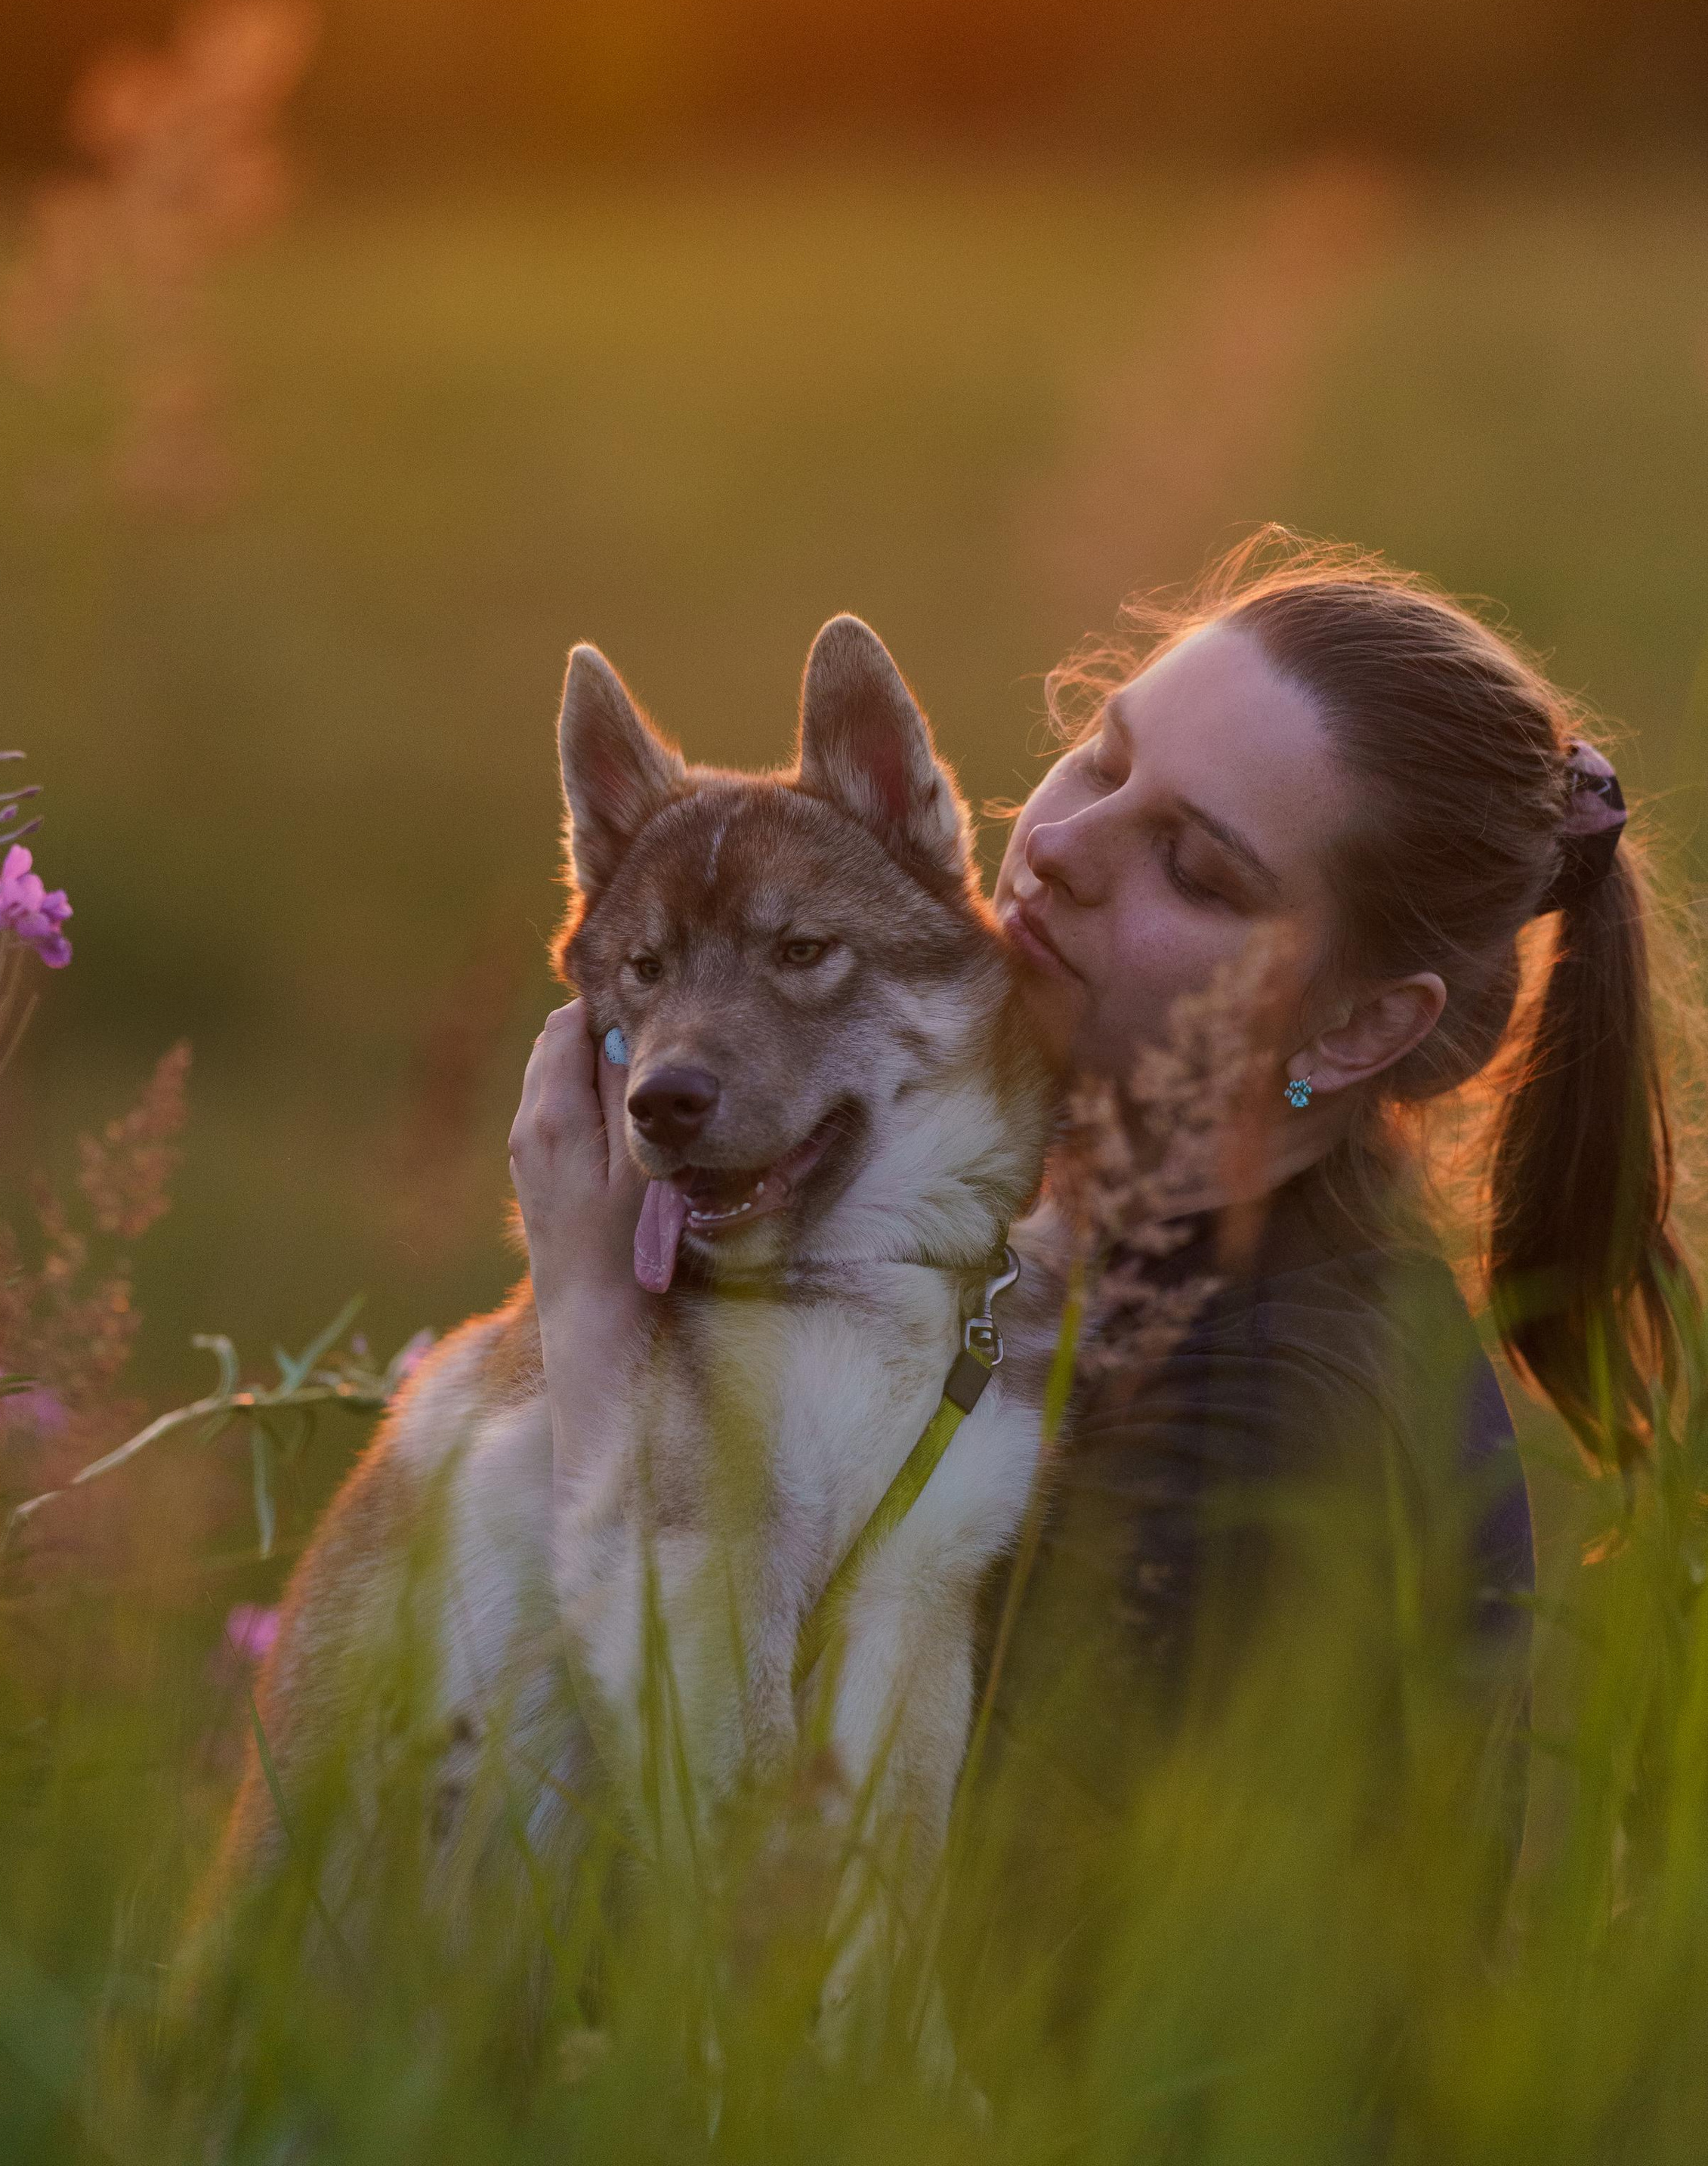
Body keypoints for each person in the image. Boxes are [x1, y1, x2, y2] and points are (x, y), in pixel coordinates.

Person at [507, 535, 1697, 1888]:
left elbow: (817, 1945)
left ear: (1357, 1027)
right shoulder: (1071, 1274)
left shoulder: (1258, 1438)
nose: (1061, 847)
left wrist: (591, 1327)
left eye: (1192, 867)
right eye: (1103, 757)